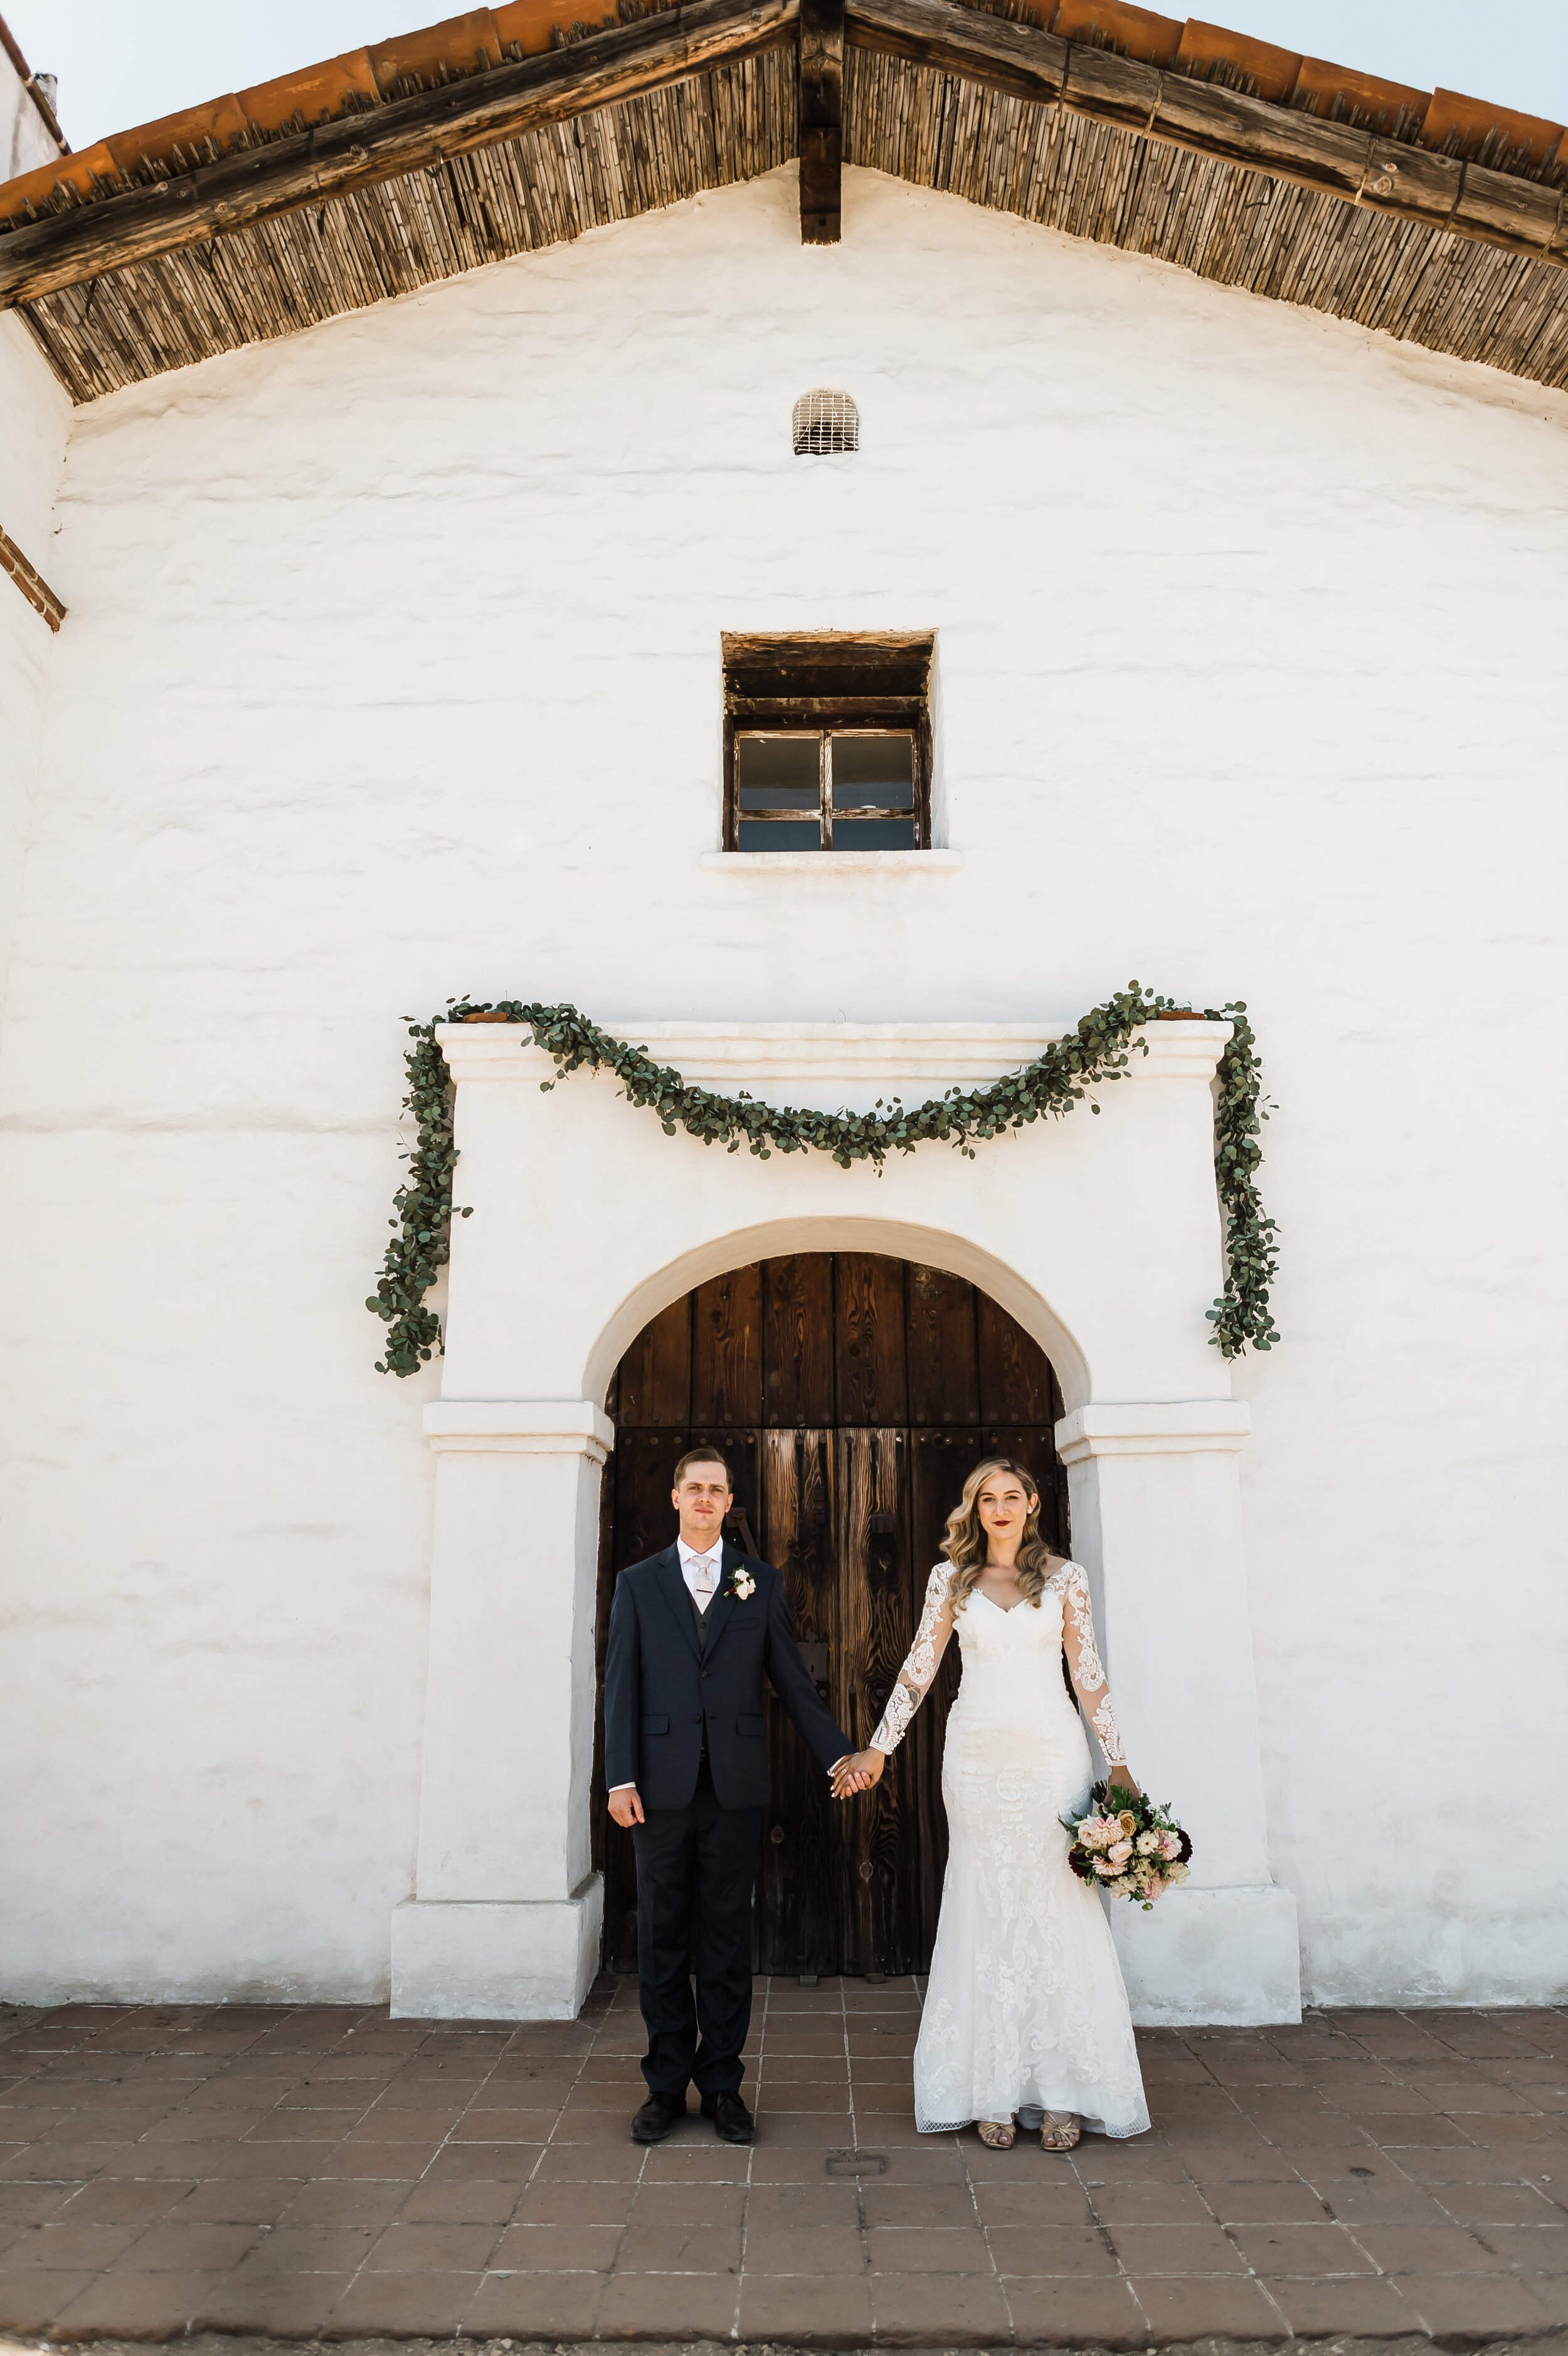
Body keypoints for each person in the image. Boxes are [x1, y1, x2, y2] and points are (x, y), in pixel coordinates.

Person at [833, 1457, 1150, 2151]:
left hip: (1051, 1758)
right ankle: (991, 2088)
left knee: (1058, 1908)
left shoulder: (1066, 1579)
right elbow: (919, 1668)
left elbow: (1087, 1676)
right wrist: (880, 1748)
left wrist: (1117, 1762)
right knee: (985, 1905)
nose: (1000, 1507)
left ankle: (1064, 2092)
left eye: (1012, 1496)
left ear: (1032, 1504)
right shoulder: (949, 1581)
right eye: (987, 1498)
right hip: (976, 1757)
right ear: (973, 1510)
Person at [604, 1448, 854, 2146]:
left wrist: (839, 1752)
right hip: (656, 1787)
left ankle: (721, 2087)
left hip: (735, 1787)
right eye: (694, 1489)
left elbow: (792, 1684)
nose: (706, 1499)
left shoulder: (760, 1582)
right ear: (675, 1499)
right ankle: (663, 2088)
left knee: (723, 1939)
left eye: (716, 1490)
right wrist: (619, 1777)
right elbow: (620, 1683)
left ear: (728, 1500)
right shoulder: (637, 1583)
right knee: (660, 1938)